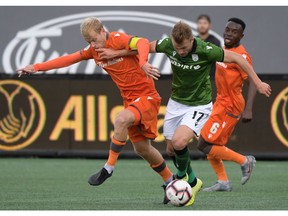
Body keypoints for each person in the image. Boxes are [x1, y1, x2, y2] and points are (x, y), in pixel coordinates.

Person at [95, 20, 271, 206]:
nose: (180, 52)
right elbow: (144, 45)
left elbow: (239, 59)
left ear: (191, 39)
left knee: (180, 142)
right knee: (171, 149)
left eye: (184, 48)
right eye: (177, 48)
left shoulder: (206, 49)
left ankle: (181, 181)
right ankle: (193, 181)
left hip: (199, 105)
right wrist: (117, 52)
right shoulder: (169, 44)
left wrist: (258, 83)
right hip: (176, 103)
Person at [16, 17, 174, 202]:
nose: (93, 44)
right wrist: (36, 67)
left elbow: (142, 42)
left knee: (120, 119)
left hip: (147, 97)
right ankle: (170, 182)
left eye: (94, 39)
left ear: (102, 31)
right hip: (130, 100)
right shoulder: (94, 51)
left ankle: (109, 167)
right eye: (88, 42)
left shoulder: (116, 38)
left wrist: (143, 63)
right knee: (142, 149)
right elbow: (68, 59)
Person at [197, 18, 270, 192]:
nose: (229, 34)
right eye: (227, 30)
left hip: (231, 105)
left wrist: (249, 109)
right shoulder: (222, 51)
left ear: (241, 35)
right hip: (220, 102)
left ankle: (245, 161)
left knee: (204, 144)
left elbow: (252, 81)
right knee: (212, 145)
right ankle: (223, 182)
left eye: (234, 32)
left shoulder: (241, 56)